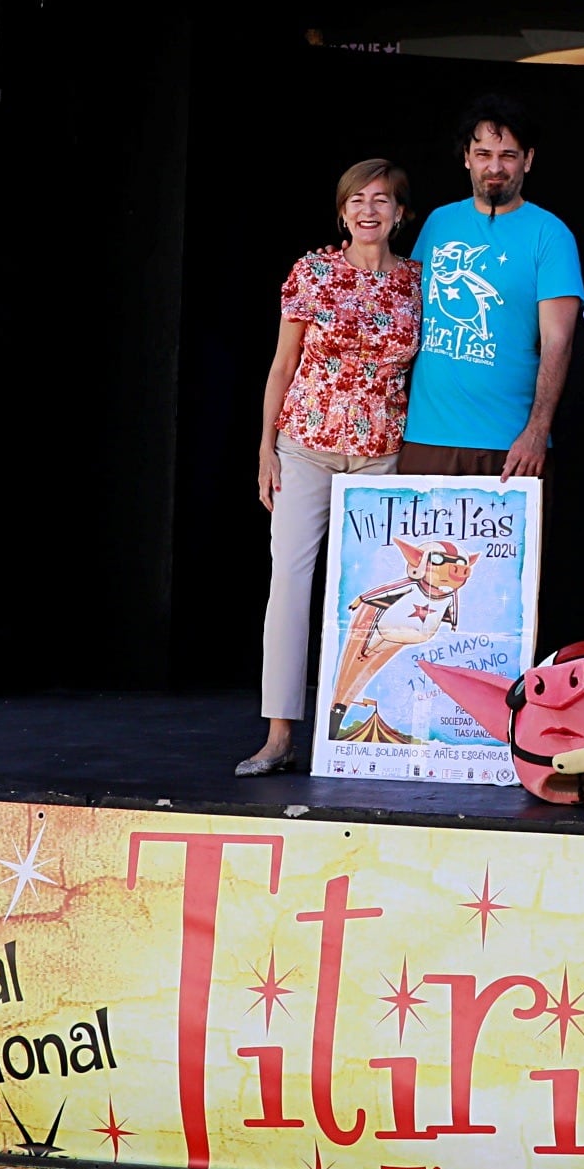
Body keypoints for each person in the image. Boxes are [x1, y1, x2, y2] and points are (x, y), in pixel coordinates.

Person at [243, 159, 420, 775]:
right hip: (306, 444)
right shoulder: (312, 272)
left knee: (377, 598)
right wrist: (266, 447)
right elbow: (282, 365)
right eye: (356, 200)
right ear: (342, 212)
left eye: (382, 199)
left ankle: (364, 730)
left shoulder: (419, 283)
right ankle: (278, 733)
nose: (368, 210)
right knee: (289, 583)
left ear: (401, 213)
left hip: (383, 453)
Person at [400, 95, 583, 478]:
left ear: (528, 160)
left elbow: (558, 343)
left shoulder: (550, 234)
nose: (494, 167)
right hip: (425, 438)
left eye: (508, 155)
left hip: (510, 445)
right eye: (483, 154)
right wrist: (346, 262)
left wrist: (536, 432)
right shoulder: (438, 223)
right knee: (421, 543)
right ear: (467, 157)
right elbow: (401, 301)